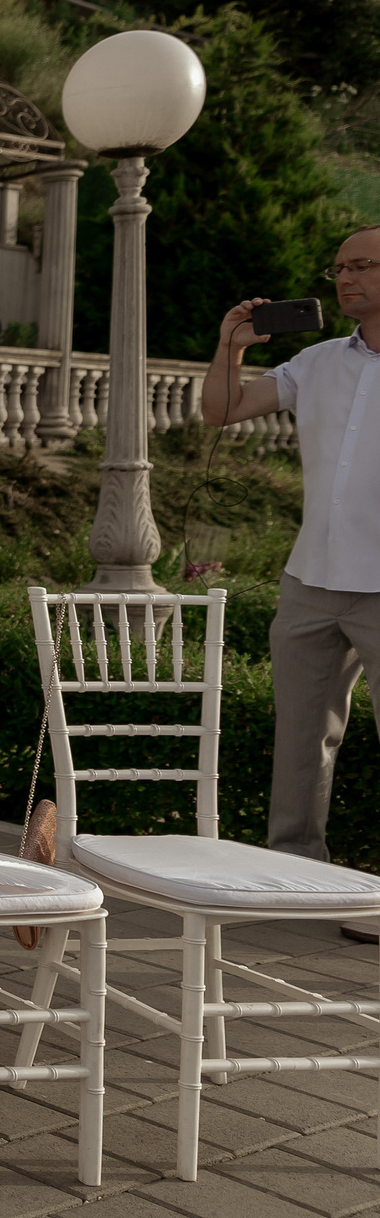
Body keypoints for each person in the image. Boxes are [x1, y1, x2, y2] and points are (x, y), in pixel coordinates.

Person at [207, 225, 380, 939]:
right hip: (311, 576)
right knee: (302, 735)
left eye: (362, 265)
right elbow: (221, 410)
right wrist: (230, 347)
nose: (345, 278)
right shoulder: (314, 362)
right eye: (339, 267)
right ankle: (295, 874)